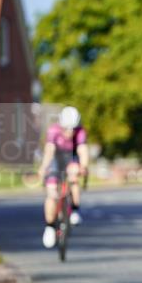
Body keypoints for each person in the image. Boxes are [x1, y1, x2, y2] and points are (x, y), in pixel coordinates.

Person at [38, 106, 89, 248]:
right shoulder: (53, 131)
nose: (70, 132)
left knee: (74, 174)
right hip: (56, 158)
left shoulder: (80, 132)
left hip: (71, 158)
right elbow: (49, 151)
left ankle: (75, 209)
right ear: (61, 125)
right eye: (67, 128)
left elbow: (82, 150)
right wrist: (43, 168)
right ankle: (49, 226)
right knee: (52, 193)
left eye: (73, 128)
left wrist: (83, 166)